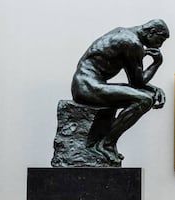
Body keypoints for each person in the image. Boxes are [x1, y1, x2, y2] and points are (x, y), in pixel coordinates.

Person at [71, 19, 169, 164]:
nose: (160, 45)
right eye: (160, 40)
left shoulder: (125, 33)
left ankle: (105, 142)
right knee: (144, 100)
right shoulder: (132, 43)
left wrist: (154, 89)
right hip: (87, 86)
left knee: (145, 96)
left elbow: (136, 83)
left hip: (89, 83)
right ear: (151, 32)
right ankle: (106, 143)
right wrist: (156, 63)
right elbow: (137, 82)